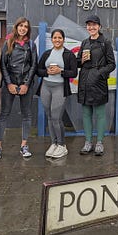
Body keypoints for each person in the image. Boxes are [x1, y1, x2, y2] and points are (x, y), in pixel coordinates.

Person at [0, 17, 37, 160]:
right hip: (9, 83)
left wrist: (26, 84)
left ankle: (24, 145)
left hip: (25, 84)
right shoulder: (8, 41)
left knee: (26, 115)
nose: (23, 28)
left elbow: (33, 64)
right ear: (16, 27)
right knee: (4, 114)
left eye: (26, 26)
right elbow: (2, 65)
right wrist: (9, 83)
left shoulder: (30, 44)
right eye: (21, 25)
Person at [77, 15, 116, 156]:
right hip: (85, 81)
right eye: (88, 25)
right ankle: (88, 142)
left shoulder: (106, 43)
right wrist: (81, 60)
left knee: (100, 114)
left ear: (99, 26)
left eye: (94, 25)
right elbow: (77, 63)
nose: (91, 27)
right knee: (86, 114)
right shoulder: (84, 43)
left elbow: (112, 64)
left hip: (98, 83)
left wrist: (99, 73)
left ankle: (99, 142)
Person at [37, 29, 78, 159]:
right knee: (49, 116)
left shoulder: (69, 54)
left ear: (63, 39)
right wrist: (47, 72)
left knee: (56, 117)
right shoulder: (47, 53)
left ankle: (62, 145)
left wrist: (61, 71)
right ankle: (53, 143)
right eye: (55, 38)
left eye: (60, 38)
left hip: (60, 88)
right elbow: (39, 70)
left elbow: (74, 73)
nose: (57, 40)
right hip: (46, 86)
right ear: (52, 39)